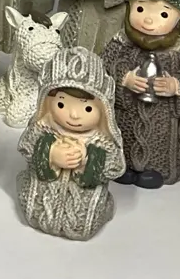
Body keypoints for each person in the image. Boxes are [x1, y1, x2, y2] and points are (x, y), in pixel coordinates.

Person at [101, 0, 180, 189]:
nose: (148, 20)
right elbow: (105, 64)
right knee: (125, 136)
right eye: (140, 8)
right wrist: (124, 78)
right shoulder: (121, 42)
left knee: (159, 141)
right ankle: (124, 165)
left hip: (161, 118)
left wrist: (176, 85)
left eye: (163, 14)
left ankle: (155, 169)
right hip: (126, 113)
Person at [16, 47, 126, 241]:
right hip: (43, 195)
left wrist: (87, 159)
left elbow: (115, 166)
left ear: (104, 109)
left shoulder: (102, 139)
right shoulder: (44, 127)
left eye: (87, 108)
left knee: (83, 224)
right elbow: (26, 147)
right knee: (34, 210)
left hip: (83, 203)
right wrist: (50, 154)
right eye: (61, 104)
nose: (74, 115)